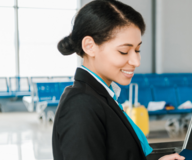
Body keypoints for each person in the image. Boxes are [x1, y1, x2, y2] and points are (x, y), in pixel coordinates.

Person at [52, 0, 157, 159]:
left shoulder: (101, 96)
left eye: (137, 50)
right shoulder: (81, 106)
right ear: (90, 46)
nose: (136, 61)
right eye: (124, 51)